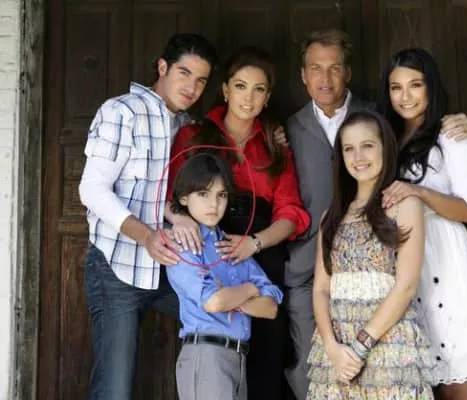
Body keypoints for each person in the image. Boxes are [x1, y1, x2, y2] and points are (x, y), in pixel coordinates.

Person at [283, 28, 467, 399]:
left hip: (407, 261)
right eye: (315, 68)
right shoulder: (287, 128)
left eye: (334, 67)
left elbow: (436, 152)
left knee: (449, 368)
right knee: (315, 375)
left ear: (348, 72)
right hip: (322, 266)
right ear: (303, 75)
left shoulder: (376, 117)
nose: (325, 78)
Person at [165, 46, 310, 400]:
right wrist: (178, 219)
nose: (249, 97)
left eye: (259, 89)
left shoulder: (275, 146)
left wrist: (254, 243)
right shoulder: (194, 136)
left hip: (262, 250)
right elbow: (169, 196)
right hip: (210, 247)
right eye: (241, 86)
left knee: (266, 359)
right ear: (226, 90)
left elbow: (292, 214)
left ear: (268, 96)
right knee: (217, 348)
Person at [78, 33, 217, 400]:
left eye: (201, 80)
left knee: (223, 318)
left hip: (168, 268)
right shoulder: (121, 112)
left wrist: (175, 214)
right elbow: (92, 189)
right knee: (115, 387)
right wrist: (146, 235)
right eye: (184, 73)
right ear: (162, 67)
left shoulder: (188, 126)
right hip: (117, 266)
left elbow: (163, 190)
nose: (192, 87)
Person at [378, 48, 467, 400]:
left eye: (415, 85)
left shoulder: (451, 134)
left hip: (442, 257)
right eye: (396, 87)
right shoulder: (388, 137)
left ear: (431, 86)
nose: (405, 96)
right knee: (412, 376)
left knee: (453, 377)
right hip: (401, 259)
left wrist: (419, 192)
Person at [306, 110, 435, 399]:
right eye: (349, 149)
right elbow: (321, 289)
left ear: (385, 148)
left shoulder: (405, 205)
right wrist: (332, 348)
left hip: (387, 343)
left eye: (367, 145)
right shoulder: (331, 216)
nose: (358, 157)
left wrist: (360, 346)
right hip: (337, 351)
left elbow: (406, 286)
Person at [166, 153, 283, 400]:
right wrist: (250, 290)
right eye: (203, 194)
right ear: (184, 197)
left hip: (238, 358)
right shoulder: (183, 245)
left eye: (221, 195)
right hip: (206, 356)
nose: (213, 204)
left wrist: (235, 297)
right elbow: (214, 302)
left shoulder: (230, 246)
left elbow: (271, 307)